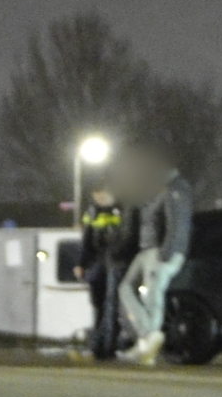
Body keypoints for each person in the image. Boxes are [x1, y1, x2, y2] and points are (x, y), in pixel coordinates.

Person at [118, 151, 193, 364]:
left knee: (153, 295)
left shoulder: (176, 188)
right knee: (126, 289)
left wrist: (167, 252)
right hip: (147, 249)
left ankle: (147, 340)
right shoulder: (160, 189)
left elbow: (178, 223)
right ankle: (147, 337)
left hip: (159, 251)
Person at [78, 186, 132, 359]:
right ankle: (98, 346)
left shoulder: (121, 209)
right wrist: (81, 263)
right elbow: (87, 239)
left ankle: (108, 347)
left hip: (115, 261)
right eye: (96, 194)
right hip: (98, 262)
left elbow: (127, 236)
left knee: (110, 306)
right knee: (98, 305)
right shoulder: (92, 212)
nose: (98, 197)